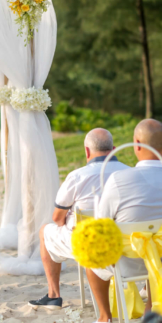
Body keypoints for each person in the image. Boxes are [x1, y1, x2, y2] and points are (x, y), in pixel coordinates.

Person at [87, 119, 162, 323]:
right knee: (159, 244)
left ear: (137, 145)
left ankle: (105, 319)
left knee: (91, 261)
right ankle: (152, 308)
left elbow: (102, 225)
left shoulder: (118, 179)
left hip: (128, 264)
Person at [28, 129, 129, 310]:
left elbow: (57, 219)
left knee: (45, 230)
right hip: (122, 241)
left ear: (87, 151)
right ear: (113, 149)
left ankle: (53, 295)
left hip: (86, 242)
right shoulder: (129, 172)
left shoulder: (77, 176)